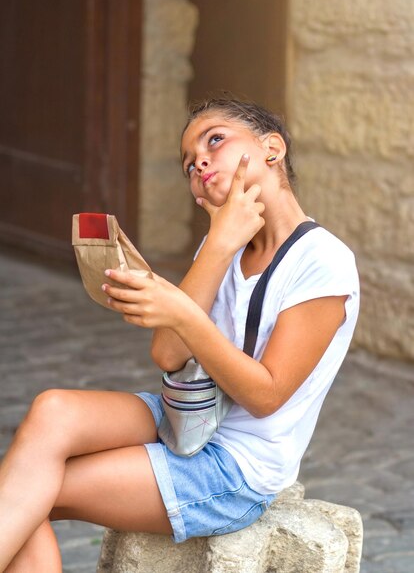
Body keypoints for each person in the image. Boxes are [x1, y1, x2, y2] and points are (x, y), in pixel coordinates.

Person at [0, 97, 359, 571]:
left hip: (237, 468)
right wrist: (219, 244)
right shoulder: (222, 245)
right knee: (52, 411)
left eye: (215, 140)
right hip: (189, 417)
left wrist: (182, 312)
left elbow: (267, 395)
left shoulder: (323, 262)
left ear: (271, 148)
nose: (200, 162)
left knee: (27, 491)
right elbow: (168, 354)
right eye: (189, 164)